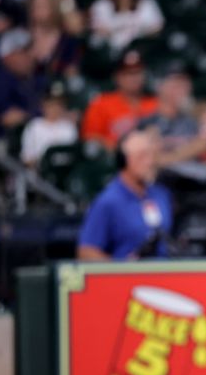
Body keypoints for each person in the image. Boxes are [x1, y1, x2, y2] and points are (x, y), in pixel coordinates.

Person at [77, 130, 172, 261]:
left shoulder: (161, 195)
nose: (150, 162)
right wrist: (120, 269)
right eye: (142, 156)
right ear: (124, 161)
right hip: (130, 278)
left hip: (164, 277)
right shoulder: (108, 202)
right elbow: (87, 252)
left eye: (151, 155)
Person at [81, 50, 158, 150]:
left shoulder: (155, 103)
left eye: (137, 73)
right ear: (117, 77)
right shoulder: (101, 104)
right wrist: (120, 149)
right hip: (113, 160)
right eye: (128, 74)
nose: (134, 78)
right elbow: (90, 138)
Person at [20, 82, 78, 166]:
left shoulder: (69, 127)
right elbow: (27, 159)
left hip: (64, 172)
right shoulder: (34, 126)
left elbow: (73, 157)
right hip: (39, 174)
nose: (55, 108)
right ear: (43, 104)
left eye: (59, 104)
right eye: (51, 104)